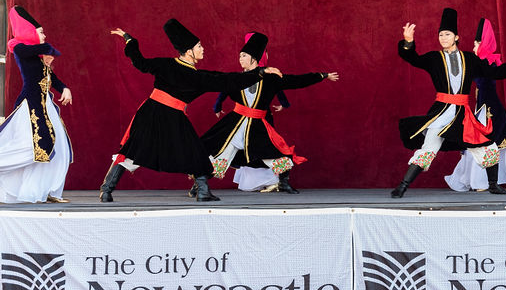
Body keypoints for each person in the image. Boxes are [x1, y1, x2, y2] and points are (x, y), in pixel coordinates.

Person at [101, 19, 282, 202]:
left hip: (162, 114)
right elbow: (226, 80)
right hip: (155, 115)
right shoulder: (193, 76)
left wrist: (130, 41)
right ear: (189, 51)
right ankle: (107, 188)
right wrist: (260, 73)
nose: (203, 49)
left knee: (191, 150)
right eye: (199, 46)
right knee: (142, 150)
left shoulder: (181, 70)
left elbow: (227, 80)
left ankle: (202, 191)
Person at [393, 8, 506, 198]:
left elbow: (494, 72)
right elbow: (413, 58)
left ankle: (493, 185)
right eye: (441, 35)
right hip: (441, 113)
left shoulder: (470, 59)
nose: (443, 38)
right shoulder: (434, 58)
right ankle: (402, 186)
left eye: (447, 34)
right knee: (428, 149)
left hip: (462, 116)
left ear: (456, 37)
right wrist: (408, 42)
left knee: (488, 146)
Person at [199, 32, 338, 195]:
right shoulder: (236, 78)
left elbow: (296, 80)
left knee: (271, 152)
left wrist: (322, 76)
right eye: (240, 56)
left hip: (257, 125)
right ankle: (200, 185)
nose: (240, 59)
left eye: (244, 56)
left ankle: (283, 182)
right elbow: (215, 81)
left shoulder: (271, 79)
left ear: (254, 59)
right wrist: (216, 105)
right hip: (236, 123)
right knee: (222, 153)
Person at [444, 18, 506, 192]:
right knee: (486, 144)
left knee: (492, 144)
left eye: (476, 44)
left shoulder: (488, 62)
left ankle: (494, 181)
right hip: (481, 108)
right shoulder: (477, 62)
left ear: (483, 44)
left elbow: (501, 72)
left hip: (491, 109)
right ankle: (492, 180)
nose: (473, 47)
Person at [0, 6, 73, 203]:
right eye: (40, 32)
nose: (44, 35)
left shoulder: (38, 57)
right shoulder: (19, 48)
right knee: (32, 147)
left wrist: (64, 88)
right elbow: (47, 48)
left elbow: (52, 77)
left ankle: (44, 190)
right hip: (30, 106)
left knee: (58, 148)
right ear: (29, 32)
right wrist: (48, 52)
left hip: (45, 104)